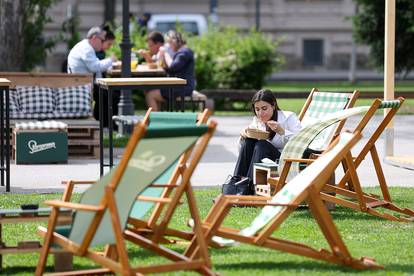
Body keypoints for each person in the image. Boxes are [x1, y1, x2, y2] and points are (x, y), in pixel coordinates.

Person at [228, 89, 302, 194]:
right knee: (248, 141)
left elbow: (300, 143)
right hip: (264, 158)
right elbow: (243, 151)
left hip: (284, 159)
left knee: (262, 144)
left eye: (264, 108)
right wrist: (243, 137)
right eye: (257, 109)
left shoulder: (288, 117)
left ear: (273, 105)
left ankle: (246, 188)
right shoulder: (257, 121)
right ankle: (235, 185)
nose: (260, 113)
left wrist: (282, 131)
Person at [67, 26, 118, 127]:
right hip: (81, 86)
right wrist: (111, 60)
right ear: (94, 38)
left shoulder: (86, 46)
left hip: (82, 83)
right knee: (113, 95)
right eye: (102, 40)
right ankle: (107, 125)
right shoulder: (87, 49)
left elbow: (96, 68)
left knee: (109, 92)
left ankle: (104, 123)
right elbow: (95, 67)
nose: (103, 42)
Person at [146, 30, 195, 111]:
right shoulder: (182, 52)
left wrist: (165, 53)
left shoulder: (184, 53)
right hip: (180, 86)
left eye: (169, 43)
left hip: (183, 87)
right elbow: (169, 68)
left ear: (174, 42)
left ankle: (156, 122)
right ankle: (158, 119)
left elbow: (172, 66)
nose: (168, 46)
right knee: (150, 90)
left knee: (150, 95)